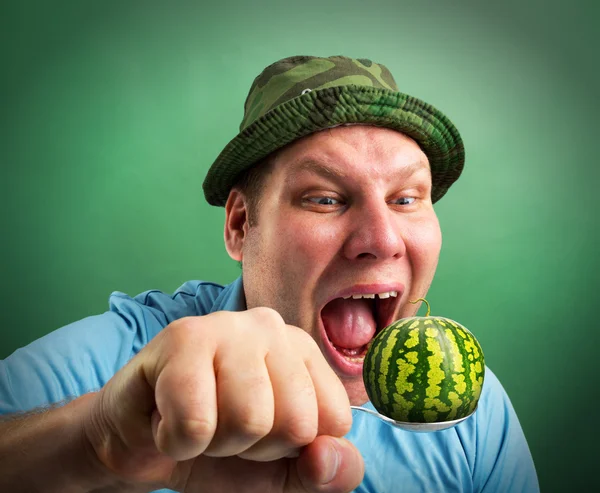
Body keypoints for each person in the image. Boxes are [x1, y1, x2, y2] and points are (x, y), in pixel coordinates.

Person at [0, 55, 539, 493]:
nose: (381, 239)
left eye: (405, 198)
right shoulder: (124, 365)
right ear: (240, 226)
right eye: (325, 198)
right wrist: (98, 447)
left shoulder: (468, 405)